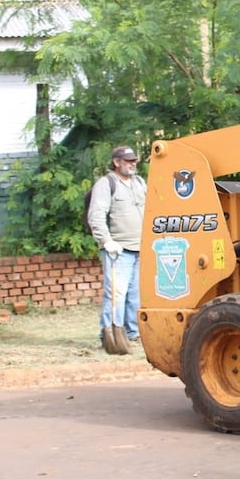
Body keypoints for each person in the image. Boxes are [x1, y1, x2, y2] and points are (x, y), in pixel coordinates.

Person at [87, 146, 146, 346]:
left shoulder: (139, 182)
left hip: (140, 248)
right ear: (116, 162)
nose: (132, 163)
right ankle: (110, 335)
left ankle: (132, 332)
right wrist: (106, 241)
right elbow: (96, 215)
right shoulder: (106, 184)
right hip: (118, 250)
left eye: (134, 160)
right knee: (116, 294)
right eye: (128, 160)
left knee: (135, 294)